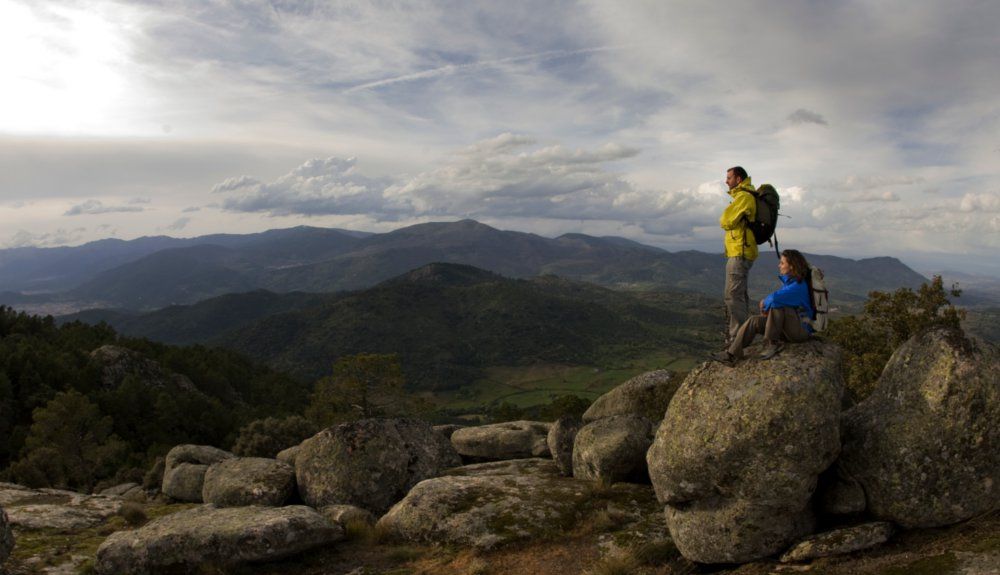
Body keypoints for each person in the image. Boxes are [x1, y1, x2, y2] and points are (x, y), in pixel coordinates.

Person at [713, 249, 815, 363]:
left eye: (782, 263)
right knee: (754, 320)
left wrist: (764, 303)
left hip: (800, 332)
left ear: (792, 266)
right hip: (789, 328)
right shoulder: (791, 283)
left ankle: (772, 344)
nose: (779, 266)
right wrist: (767, 305)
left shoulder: (799, 286)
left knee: (778, 305)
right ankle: (731, 354)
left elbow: (775, 299)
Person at [720, 166, 758, 345]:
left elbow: (725, 220)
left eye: (729, 177)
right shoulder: (742, 196)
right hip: (740, 251)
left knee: (733, 296)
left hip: (739, 252)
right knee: (739, 295)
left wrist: (727, 216)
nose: (726, 181)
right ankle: (743, 336)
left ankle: (737, 339)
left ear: (739, 179)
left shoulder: (744, 197)